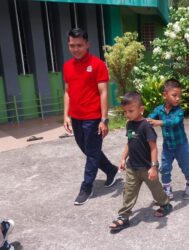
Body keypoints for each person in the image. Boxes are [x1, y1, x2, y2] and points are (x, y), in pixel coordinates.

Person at [63, 28, 118, 205]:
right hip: (76, 117)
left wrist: (104, 119)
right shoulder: (67, 66)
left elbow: (103, 92)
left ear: (87, 44)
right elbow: (67, 92)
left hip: (93, 118)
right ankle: (110, 169)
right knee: (87, 150)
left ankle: (86, 186)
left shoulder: (97, 64)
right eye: (72, 45)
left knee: (92, 153)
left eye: (79, 45)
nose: (76, 49)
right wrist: (66, 116)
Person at [109, 92, 172, 233]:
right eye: (125, 112)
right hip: (132, 167)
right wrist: (123, 158)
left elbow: (153, 147)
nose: (128, 114)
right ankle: (123, 217)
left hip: (147, 168)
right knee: (128, 193)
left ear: (141, 109)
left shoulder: (146, 126)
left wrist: (154, 167)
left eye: (131, 111)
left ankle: (165, 205)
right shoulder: (129, 124)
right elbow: (129, 142)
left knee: (156, 190)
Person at [147, 79, 189, 200]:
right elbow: (149, 119)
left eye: (179, 96)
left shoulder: (179, 111)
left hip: (181, 145)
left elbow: (174, 121)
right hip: (167, 146)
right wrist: (141, 122)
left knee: (186, 166)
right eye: (174, 95)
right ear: (165, 95)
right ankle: (167, 189)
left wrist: (160, 122)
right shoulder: (159, 109)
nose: (177, 98)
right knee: (165, 168)